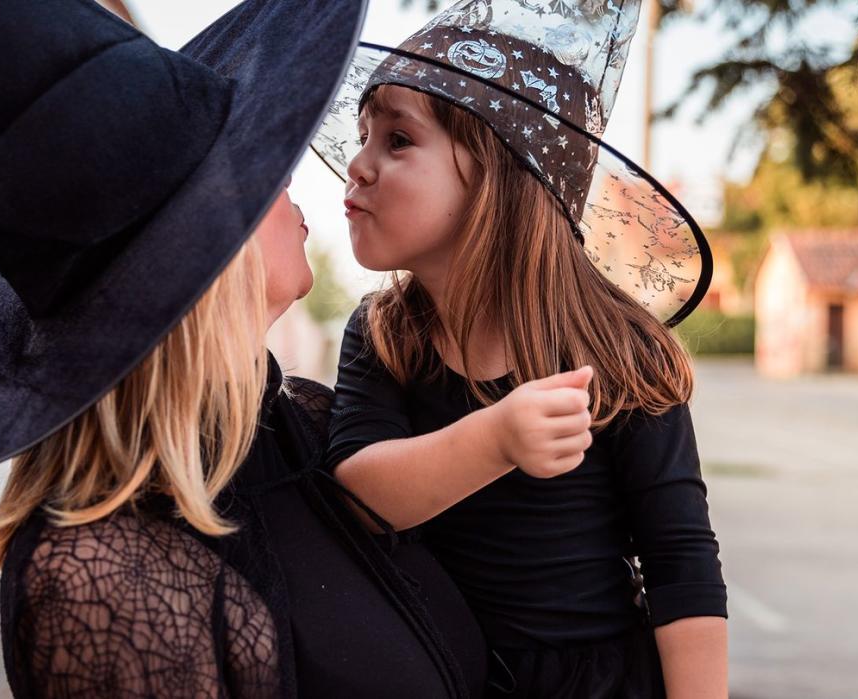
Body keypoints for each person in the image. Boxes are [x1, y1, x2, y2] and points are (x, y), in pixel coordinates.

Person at [0, 0, 490, 695]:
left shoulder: (305, 420)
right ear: (198, 246)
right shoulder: (98, 578)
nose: (290, 173)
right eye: (258, 162)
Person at [312, 1, 728, 696]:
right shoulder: (388, 332)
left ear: (497, 178)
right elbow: (362, 491)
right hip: (435, 670)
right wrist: (497, 438)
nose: (357, 164)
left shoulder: (618, 351)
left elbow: (679, 559)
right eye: (362, 135)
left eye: (398, 140)